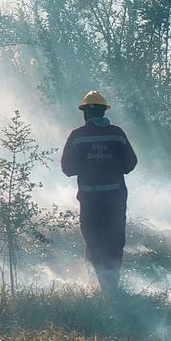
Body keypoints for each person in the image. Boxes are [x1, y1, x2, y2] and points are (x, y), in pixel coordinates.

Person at [60, 90, 138, 294]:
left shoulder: (77, 136)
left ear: (85, 112)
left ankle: (96, 287)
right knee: (114, 243)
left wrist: (86, 166)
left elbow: (67, 168)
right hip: (115, 200)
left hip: (90, 200)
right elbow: (131, 163)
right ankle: (111, 288)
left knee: (93, 241)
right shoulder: (117, 133)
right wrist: (112, 165)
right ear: (104, 112)